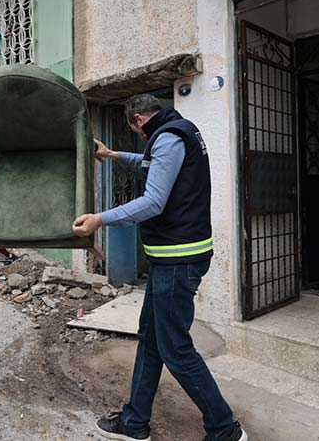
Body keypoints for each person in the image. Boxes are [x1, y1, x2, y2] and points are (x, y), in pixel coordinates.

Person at [73, 94, 247, 441]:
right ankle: (135, 422)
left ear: (138, 119)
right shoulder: (178, 132)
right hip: (171, 258)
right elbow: (151, 163)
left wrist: (100, 219)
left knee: (175, 349)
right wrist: (111, 155)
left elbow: (154, 201)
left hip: (178, 259)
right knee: (151, 338)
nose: (141, 140)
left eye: (135, 132)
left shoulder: (167, 137)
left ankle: (224, 428)